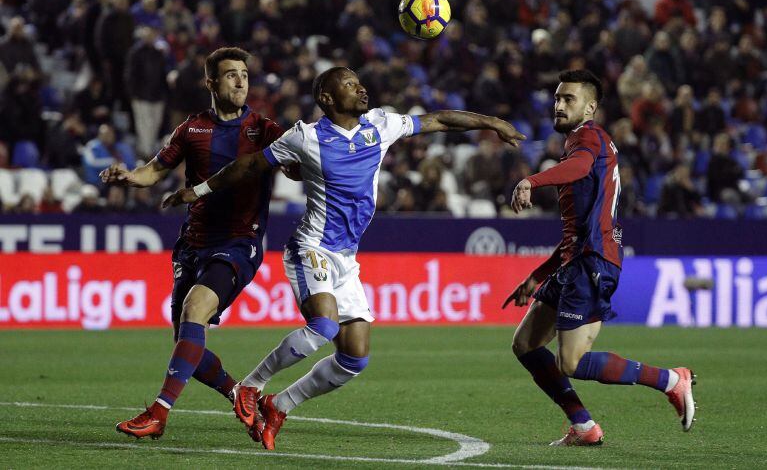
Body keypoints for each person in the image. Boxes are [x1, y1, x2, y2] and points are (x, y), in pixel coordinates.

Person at [163, 66, 525, 450]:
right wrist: (199, 190)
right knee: (324, 325)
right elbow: (250, 164)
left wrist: (492, 122)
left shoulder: (380, 125)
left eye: (359, 82)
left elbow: (437, 120)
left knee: (354, 357)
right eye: (350, 85)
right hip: (311, 248)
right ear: (327, 98)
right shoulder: (305, 137)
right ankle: (251, 386)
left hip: (345, 258)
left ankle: (279, 405)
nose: (361, 89)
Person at [102, 47, 287, 439]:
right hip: (192, 244)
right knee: (187, 342)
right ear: (211, 83)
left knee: (195, 306)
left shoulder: (264, 129)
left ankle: (158, 414)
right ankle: (241, 393)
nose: (240, 81)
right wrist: (129, 177)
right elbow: (154, 171)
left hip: (239, 241)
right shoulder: (192, 129)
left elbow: (297, 164)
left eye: (244, 74)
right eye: (231, 75)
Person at [505, 69, 696, 446]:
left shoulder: (588, 138)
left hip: (592, 262)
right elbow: (577, 227)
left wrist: (532, 180)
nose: (559, 105)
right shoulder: (581, 142)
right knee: (525, 343)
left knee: (571, 363)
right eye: (557, 98)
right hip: (575, 258)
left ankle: (672, 380)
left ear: (590, 107)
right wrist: (537, 275)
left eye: (569, 99)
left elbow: (577, 169)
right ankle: (583, 427)